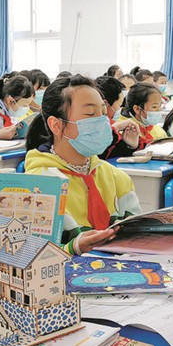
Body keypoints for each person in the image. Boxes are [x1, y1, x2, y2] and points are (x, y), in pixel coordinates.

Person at [24, 75, 139, 254]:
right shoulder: (38, 186)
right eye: (90, 114)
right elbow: (28, 256)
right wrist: (73, 248)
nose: (102, 122)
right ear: (56, 125)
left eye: (103, 113)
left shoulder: (117, 177)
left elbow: (139, 234)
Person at [94, 75, 139, 158]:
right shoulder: (92, 128)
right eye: (119, 105)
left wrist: (130, 146)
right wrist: (115, 128)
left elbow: (112, 154)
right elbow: (95, 153)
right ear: (105, 104)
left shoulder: (110, 125)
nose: (120, 109)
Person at [114, 83, 168, 150]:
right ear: (137, 109)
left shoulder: (158, 131)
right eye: (154, 107)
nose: (159, 110)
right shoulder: (123, 130)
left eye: (160, 106)